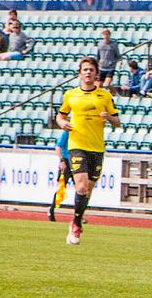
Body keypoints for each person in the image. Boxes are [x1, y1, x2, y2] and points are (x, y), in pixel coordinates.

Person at [49, 56, 119, 245]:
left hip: (96, 147)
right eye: (85, 69)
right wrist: (62, 123)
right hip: (76, 146)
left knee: (87, 189)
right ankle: (77, 226)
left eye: (91, 69)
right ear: (80, 73)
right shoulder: (71, 95)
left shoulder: (104, 96)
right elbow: (61, 115)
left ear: (96, 73)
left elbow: (117, 121)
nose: (88, 72)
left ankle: (76, 219)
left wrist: (109, 118)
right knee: (80, 186)